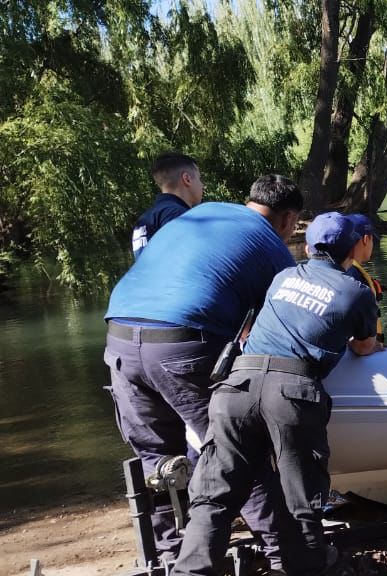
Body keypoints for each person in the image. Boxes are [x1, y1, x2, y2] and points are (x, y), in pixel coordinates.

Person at [103, 174, 303, 565]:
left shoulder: (204, 213)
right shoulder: (272, 246)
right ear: (288, 219)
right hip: (181, 343)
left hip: (120, 337)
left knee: (159, 460)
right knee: (235, 449)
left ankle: (167, 554)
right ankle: (287, 558)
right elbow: (281, 327)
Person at [174, 212, 381, 576]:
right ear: (353, 249)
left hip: (236, 388)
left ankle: (189, 572)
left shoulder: (283, 277)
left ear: (308, 248)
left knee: (214, 497)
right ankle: (310, 569)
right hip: (292, 394)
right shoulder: (356, 292)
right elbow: (365, 346)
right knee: (302, 500)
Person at [133, 152, 205, 257]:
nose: (202, 185)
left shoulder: (143, 221)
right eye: (199, 178)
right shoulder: (176, 214)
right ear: (187, 179)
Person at [344, 213, 385, 342]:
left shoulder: (341, 268)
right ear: (366, 239)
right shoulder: (356, 277)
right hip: (362, 349)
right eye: (373, 240)